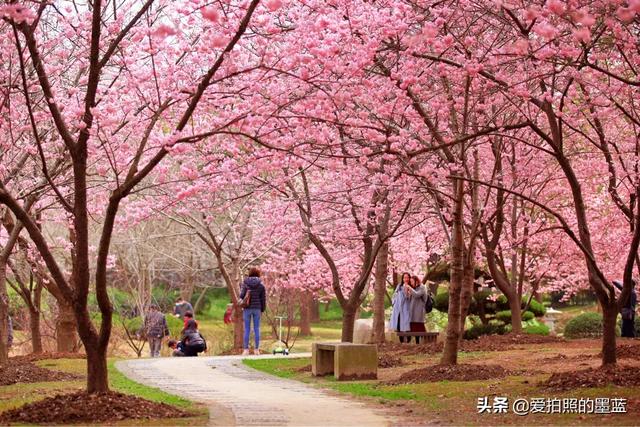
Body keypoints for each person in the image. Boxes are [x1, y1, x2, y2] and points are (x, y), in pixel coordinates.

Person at [239, 267, 266, 355]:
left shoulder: (245, 283)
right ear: (258, 274)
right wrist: (262, 309)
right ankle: (256, 350)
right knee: (256, 329)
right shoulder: (261, 285)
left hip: (247, 308)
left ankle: (246, 350)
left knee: (247, 329)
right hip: (257, 308)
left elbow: (242, 295)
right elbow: (263, 299)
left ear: (250, 273)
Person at [390, 272, 412, 343]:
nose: (406, 279)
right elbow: (394, 295)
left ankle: (408, 340)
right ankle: (401, 341)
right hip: (398, 307)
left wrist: (406, 288)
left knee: (407, 324)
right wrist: (394, 302)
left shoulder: (411, 286)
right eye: (404, 277)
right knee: (399, 323)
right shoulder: (399, 286)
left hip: (406, 307)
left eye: (407, 277)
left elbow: (408, 297)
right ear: (402, 278)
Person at [406, 275, 428, 343]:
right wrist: (408, 293)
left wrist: (409, 288)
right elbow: (410, 298)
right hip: (412, 309)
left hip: (419, 310)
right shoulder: (414, 288)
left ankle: (422, 342)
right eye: (410, 282)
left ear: (416, 281)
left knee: (419, 326)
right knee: (412, 326)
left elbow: (417, 295)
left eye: (412, 281)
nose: (411, 283)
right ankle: (413, 342)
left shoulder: (422, 287)